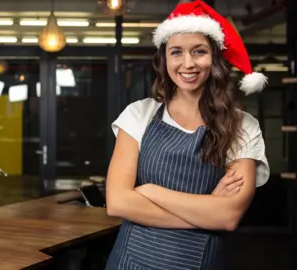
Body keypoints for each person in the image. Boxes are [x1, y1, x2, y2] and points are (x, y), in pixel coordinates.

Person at [105, 0, 270, 269]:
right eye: (176, 52)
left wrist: (149, 191)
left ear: (214, 58)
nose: (188, 63)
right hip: (130, 261)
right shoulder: (139, 114)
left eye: (199, 51)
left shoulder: (242, 125)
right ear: (164, 59)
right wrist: (206, 211)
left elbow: (228, 216)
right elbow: (118, 202)